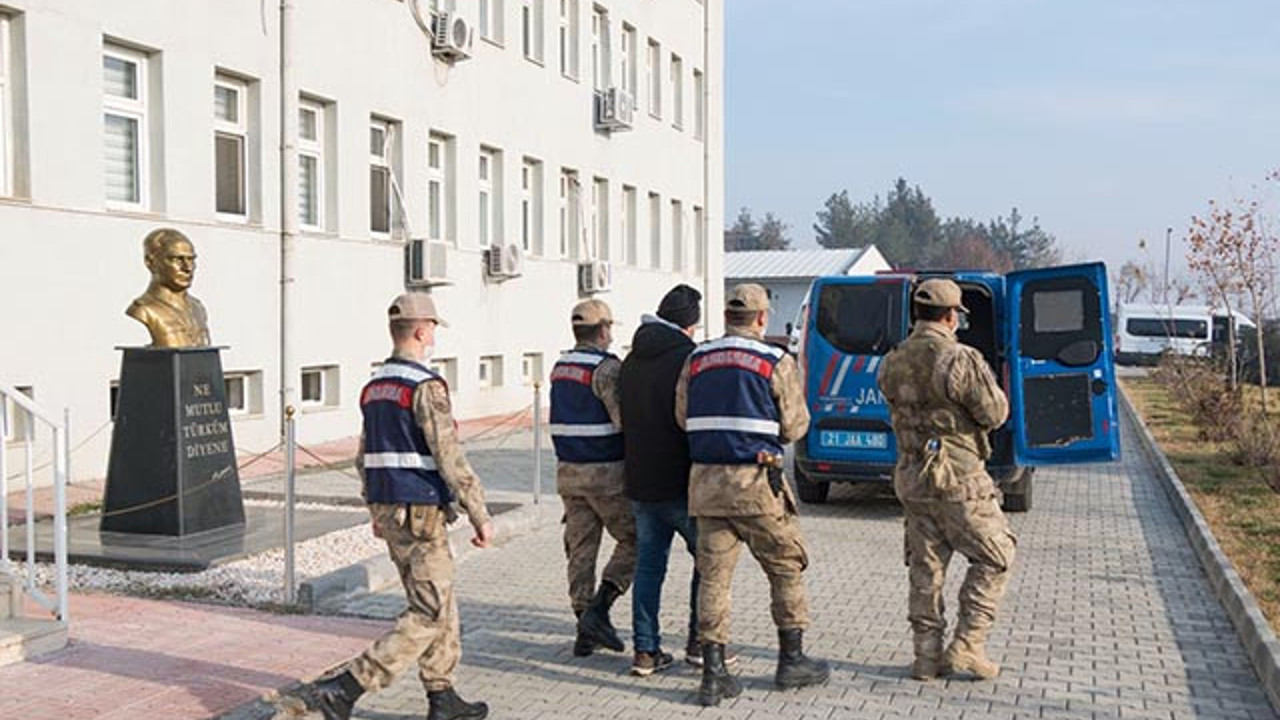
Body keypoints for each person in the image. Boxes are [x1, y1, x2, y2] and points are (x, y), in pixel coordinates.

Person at [311, 293, 494, 720]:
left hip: (391, 508)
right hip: (421, 511)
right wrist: (480, 514)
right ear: (420, 330)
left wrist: (374, 508)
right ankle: (348, 686)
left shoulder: (375, 387)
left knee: (440, 601)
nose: (432, 337)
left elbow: (363, 456)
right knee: (430, 609)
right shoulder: (424, 386)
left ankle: (441, 695)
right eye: (431, 328)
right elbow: (449, 456)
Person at [675, 283, 830, 706]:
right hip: (758, 487)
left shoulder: (697, 358)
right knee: (785, 568)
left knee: (713, 578)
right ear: (762, 318)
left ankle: (713, 674)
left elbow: (682, 417)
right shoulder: (774, 361)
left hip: (706, 486)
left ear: (727, 317)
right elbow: (796, 427)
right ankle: (791, 660)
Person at [876, 278, 1016, 682]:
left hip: (912, 478)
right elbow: (994, 414)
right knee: (997, 555)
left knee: (926, 567)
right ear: (953, 316)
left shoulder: (893, 359)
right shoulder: (960, 359)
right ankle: (968, 646)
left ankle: (926, 658)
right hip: (959, 480)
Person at [619, 284, 736, 676]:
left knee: (649, 567)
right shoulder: (690, 359)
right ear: (689, 326)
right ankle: (701, 644)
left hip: (640, 480)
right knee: (708, 562)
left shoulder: (630, 360)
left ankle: (646, 651)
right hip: (683, 483)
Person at [549, 298, 637, 656]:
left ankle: (583, 627)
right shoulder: (606, 368)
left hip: (568, 473)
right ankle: (600, 609)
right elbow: (623, 420)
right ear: (603, 330)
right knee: (637, 539)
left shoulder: (559, 367)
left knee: (580, 550)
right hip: (606, 474)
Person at [126, 228, 211, 348]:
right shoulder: (144, 310)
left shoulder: (198, 308)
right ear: (150, 262)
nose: (187, 268)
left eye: (191, 260)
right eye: (177, 259)